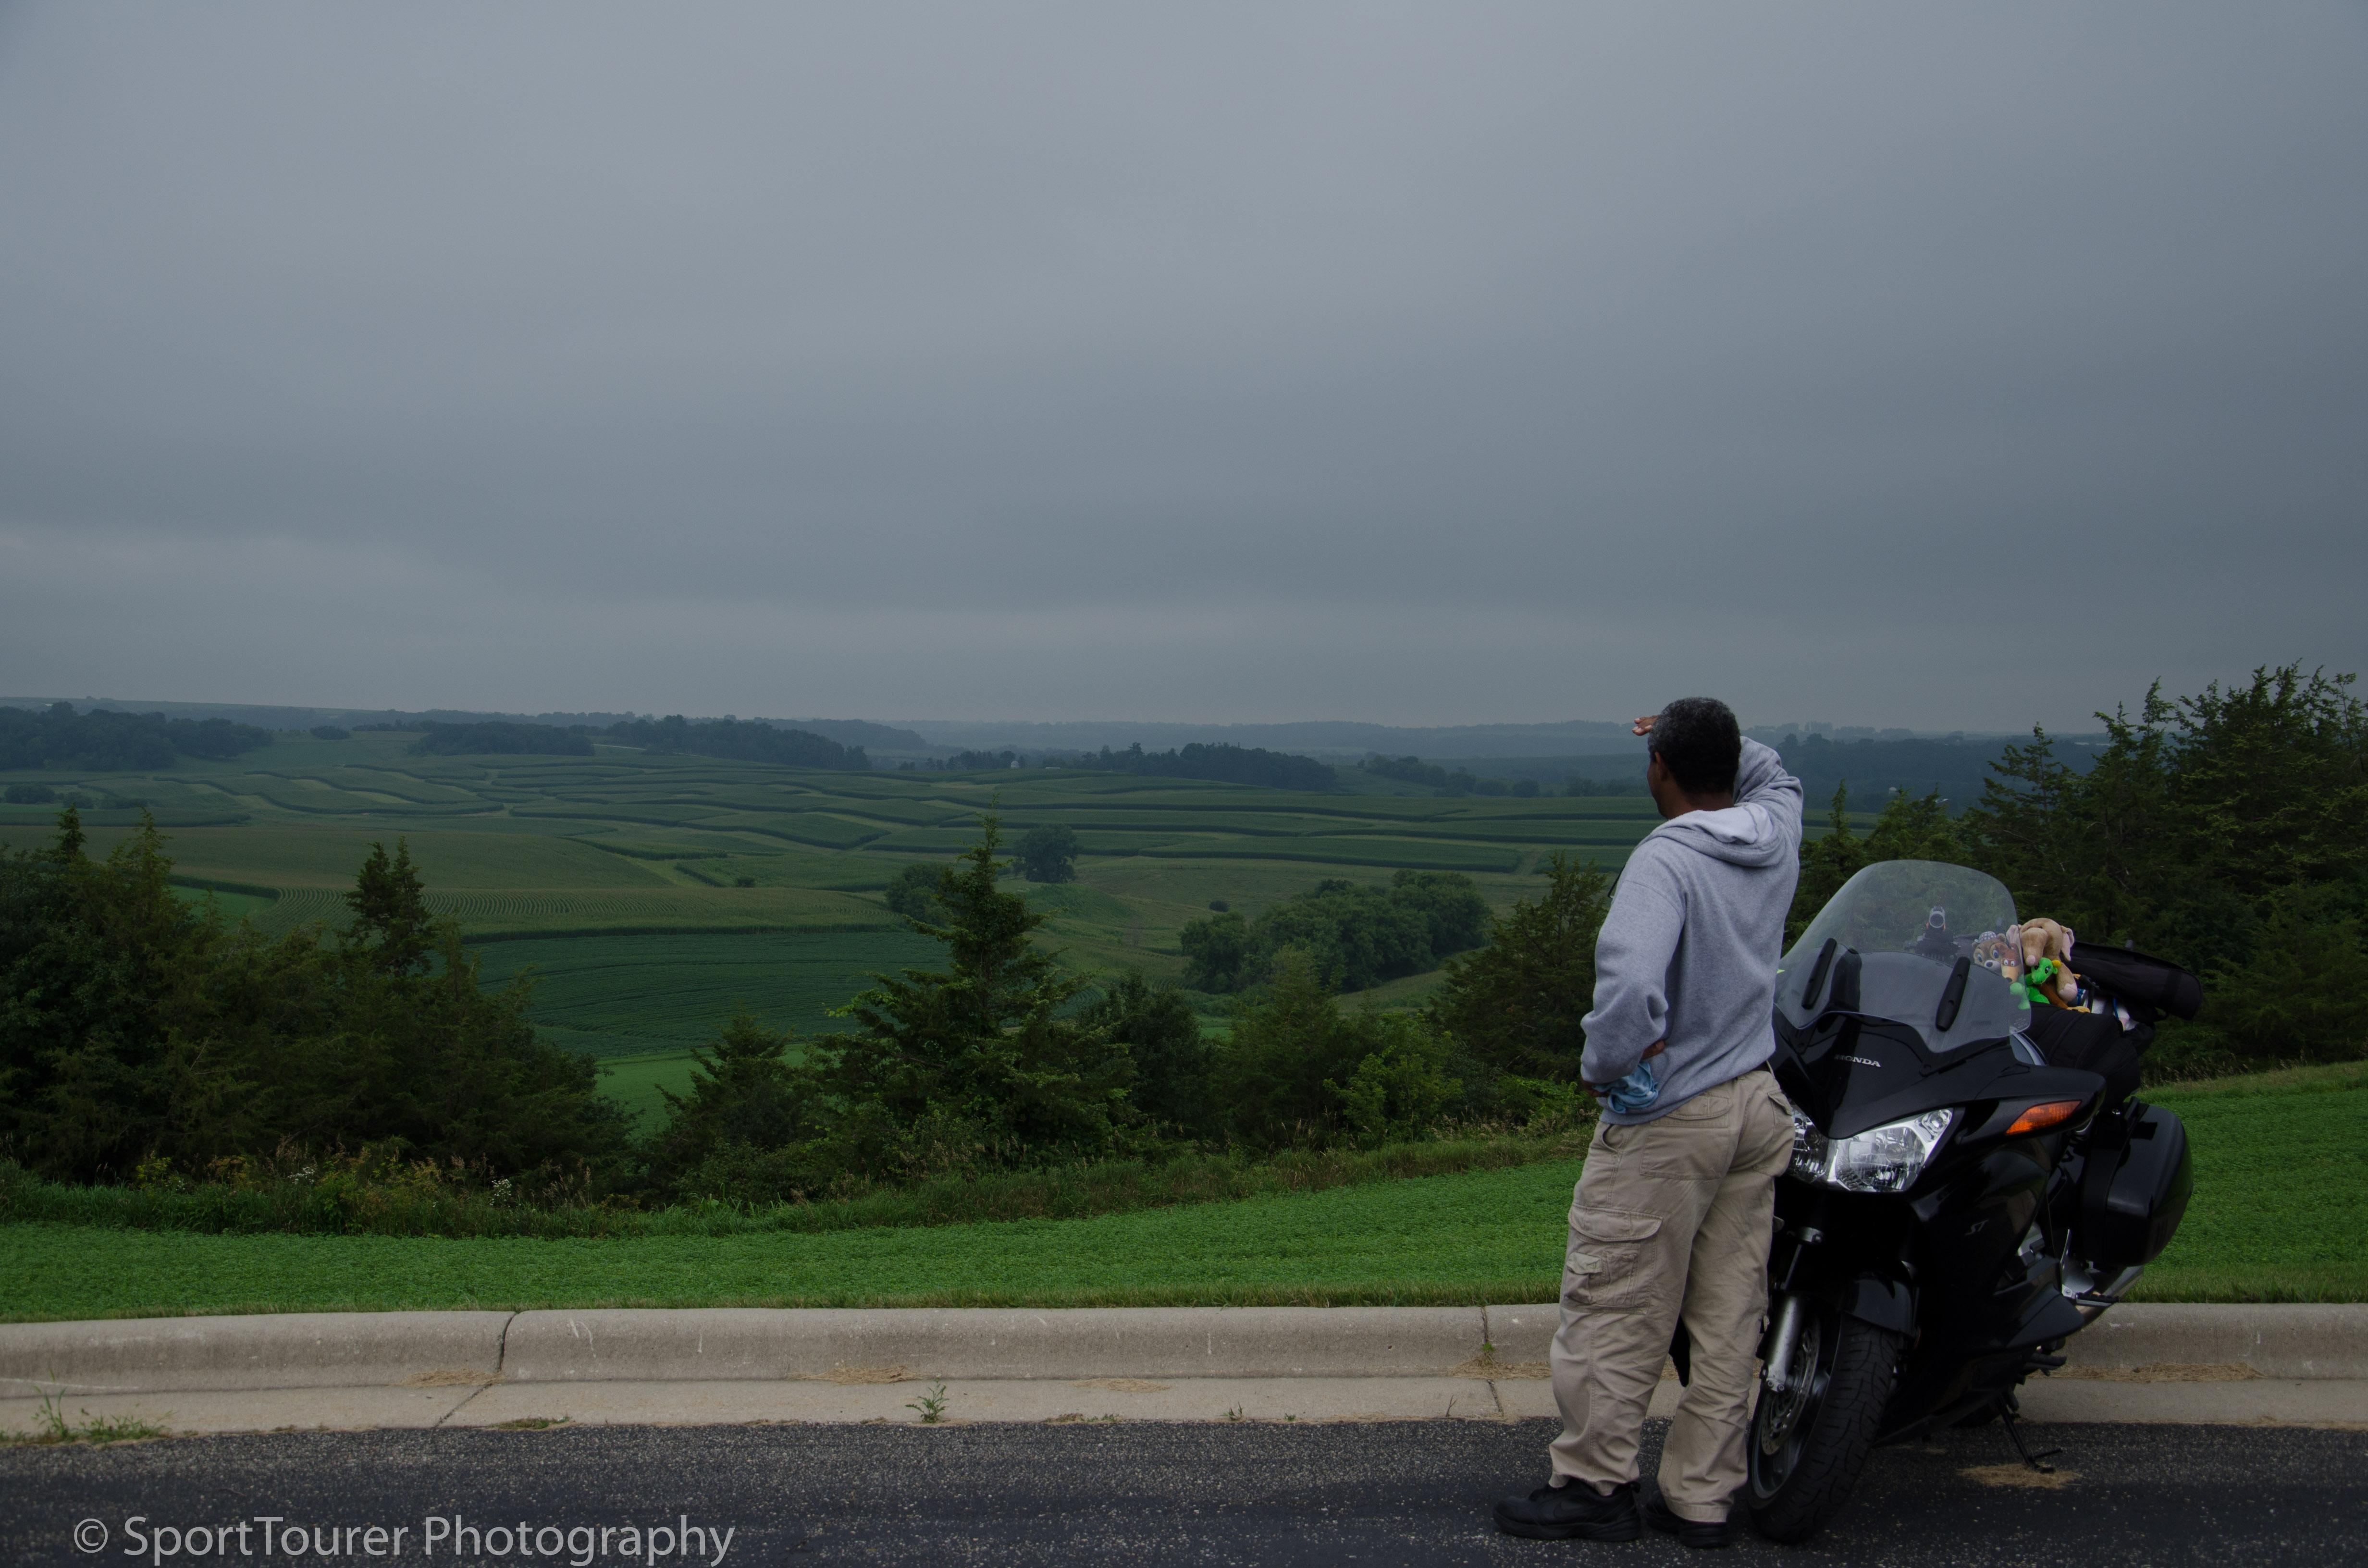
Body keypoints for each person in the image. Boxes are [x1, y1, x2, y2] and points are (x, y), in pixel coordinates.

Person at [1495, 698, 1804, 1549]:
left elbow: (1630, 991)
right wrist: (1700, 730)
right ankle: (1703, 1498)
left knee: (1615, 1299)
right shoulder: (1775, 827)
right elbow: (1773, 770)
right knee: (1729, 1310)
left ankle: (1595, 1486)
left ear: (1658, 768)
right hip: (1756, 1102)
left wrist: (1604, 1067)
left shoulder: (1665, 860)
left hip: (1673, 1118)